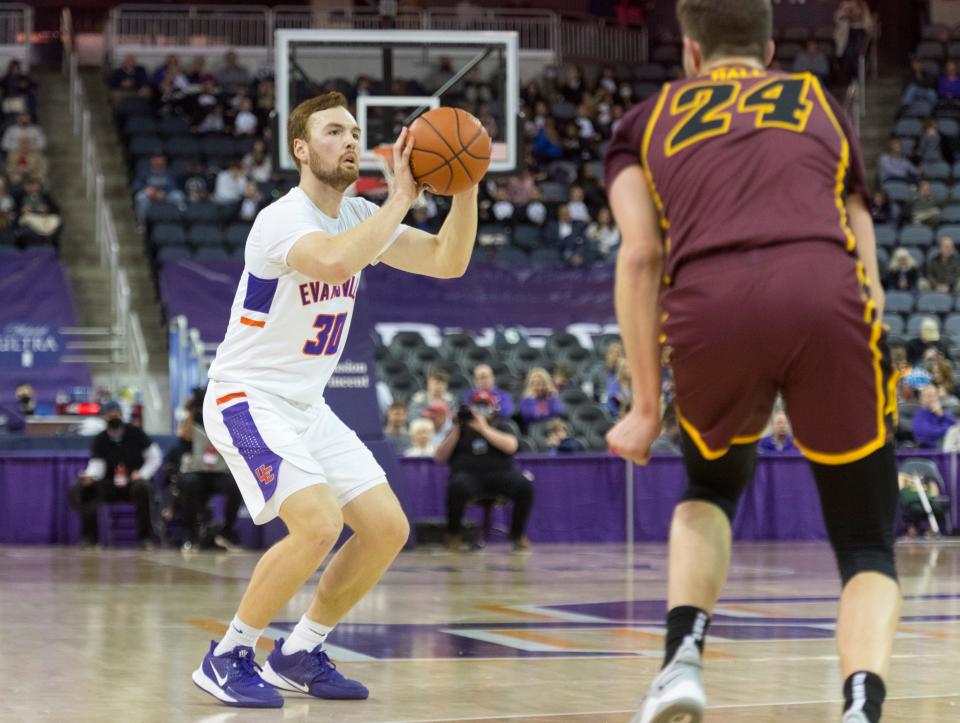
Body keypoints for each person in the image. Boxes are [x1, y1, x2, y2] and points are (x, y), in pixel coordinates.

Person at [603, 2, 901, 722]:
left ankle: (681, 661)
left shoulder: (642, 123)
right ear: (769, 50)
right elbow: (860, 231)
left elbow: (641, 255)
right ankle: (861, 705)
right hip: (824, 288)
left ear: (692, 54)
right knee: (865, 537)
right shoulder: (818, 101)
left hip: (711, 297)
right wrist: (863, 326)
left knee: (711, 486)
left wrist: (645, 408)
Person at [191, 90, 479, 708]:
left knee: (386, 529)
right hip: (247, 397)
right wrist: (402, 197)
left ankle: (298, 652)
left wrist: (467, 184)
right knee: (318, 525)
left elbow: (447, 260)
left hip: (305, 406)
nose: (349, 140)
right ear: (301, 148)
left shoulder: (357, 217)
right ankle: (228, 655)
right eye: (333, 131)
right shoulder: (282, 219)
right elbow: (328, 265)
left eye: (354, 132)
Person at [434, 390, 533, 550]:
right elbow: (439, 457)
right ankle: (453, 534)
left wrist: (484, 429)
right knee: (456, 486)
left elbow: (511, 446)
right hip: (469, 477)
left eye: (485, 406)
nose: (481, 410)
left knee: (525, 486)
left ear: (493, 408)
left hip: (501, 476)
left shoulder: (502, 426)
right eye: (477, 406)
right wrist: (457, 429)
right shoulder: (458, 430)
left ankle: (517, 534)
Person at [68, 401, 162, 548]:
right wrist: (89, 477)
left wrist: (143, 474)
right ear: (104, 418)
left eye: (116, 415)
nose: (113, 418)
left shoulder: (136, 433)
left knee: (143, 488)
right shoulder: (100, 439)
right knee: (86, 490)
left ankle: (145, 538)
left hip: (133, 482)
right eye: (110, 416)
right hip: (110, 483)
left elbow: (154, 457)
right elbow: (97, 466)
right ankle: (90, 539)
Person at [177, 386, 244, 551]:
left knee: (235, 485)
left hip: (218, 471)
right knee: (189, 483)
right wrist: (191, 411)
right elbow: (184, 440)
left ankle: (226, 533)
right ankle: (190, 535)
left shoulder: (223, 419)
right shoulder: (190, 422)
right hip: (195, 471)